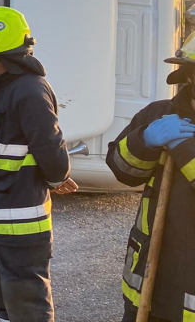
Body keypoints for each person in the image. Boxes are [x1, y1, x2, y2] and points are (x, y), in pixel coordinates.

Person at [0, 6, 75, 322]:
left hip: (20, 225)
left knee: (27, 306)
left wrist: (57, 176)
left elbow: (50, 150)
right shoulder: (1, 89)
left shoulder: (30, 90)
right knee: (7, 303)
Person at [107, 32, 195, 322]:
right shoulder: (159, 114)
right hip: (147, 288)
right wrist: (143, 140)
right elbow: (122, 170)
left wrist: (185, 149)